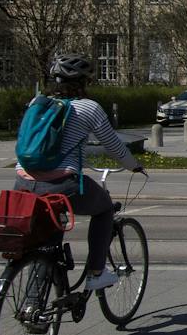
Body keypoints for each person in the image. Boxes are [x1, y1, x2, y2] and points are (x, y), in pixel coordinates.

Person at [13, 55, 144, 292]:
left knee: (44, 242)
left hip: (22, 181)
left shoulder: (37, 103)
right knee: (104, 209)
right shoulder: (88, 107)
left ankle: (33, 306)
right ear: (84, 82)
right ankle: (96, 272)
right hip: (61, 184)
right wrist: (134, 165)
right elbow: (114, 146)